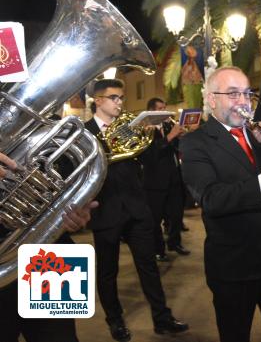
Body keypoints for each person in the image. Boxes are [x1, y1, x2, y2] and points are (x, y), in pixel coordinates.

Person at [180, 66, 261, 342]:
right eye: (233, 94)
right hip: (234, 266)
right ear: (212, 99)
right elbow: (211, 199)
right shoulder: (195, 143)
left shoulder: (260, 136)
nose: (243, 101)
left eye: (247, 94)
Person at [85, 79, 188, 342]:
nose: (120, 102)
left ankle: (162, 318)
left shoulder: (130, 129)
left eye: (121, 97)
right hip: (106, 210)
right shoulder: (84, 133)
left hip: (137, 208)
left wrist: (153, 135)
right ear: (98, 101)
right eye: (114, 98)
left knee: (148, 266)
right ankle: (115, 320)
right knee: (108, 272)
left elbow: (151, 163)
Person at [0, 151, 99, 342]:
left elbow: (70, 176)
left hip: (49, 254)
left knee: (61, 336)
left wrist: (75, 208)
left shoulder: (46, 122)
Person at [142, 97, 189, 261]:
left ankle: (175, 242)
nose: (165, 111)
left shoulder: (169, 125)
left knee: (176, 215)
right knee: (155, 219)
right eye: (160, 108)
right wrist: (169, 137)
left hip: (174, 178)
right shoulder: (144, 129)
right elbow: (149, 155)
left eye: (165, 107)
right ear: (151, 111)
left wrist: (181, 137)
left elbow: (176, 149)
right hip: (155, 182)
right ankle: (158, 249)